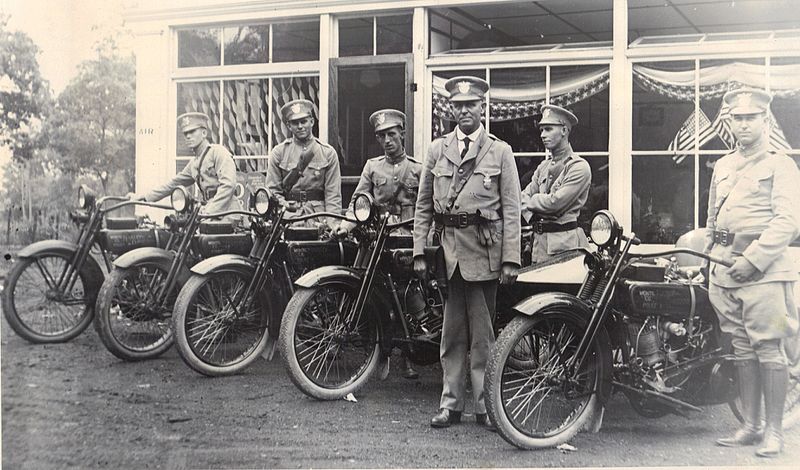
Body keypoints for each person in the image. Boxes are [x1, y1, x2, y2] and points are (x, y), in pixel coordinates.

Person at [412, 76, 521, 430]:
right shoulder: (437, 149)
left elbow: (512, 209)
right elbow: (424, 205)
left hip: (483, 254)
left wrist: (510, 259)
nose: (464, 112)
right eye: (458, 106)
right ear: (451, 109)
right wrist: (419, 251)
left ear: (481, 107)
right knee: (451, 334)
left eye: (470, 105)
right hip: (448, 255)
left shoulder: (499, 151)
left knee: (484, 336)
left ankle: (485, 405)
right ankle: (450, 404)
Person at [705, 88, 800, 458]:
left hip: (764, 272)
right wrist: (711, 256)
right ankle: (750, 425)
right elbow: (713, 217)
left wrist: (754, 258)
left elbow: (788, 222)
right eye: (736, 119)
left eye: (750, 118)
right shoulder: (725, 165)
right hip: (725, 269)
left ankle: (774, 431)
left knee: (768, 348)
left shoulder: (781, 165)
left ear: (765, 120)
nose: (743, 125)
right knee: (742, 348)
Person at [335, 109, 421, 379]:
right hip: (375, 240)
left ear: (403, 134)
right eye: (381, 136)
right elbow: (358, 203)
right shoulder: (372, 167)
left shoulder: (418, 169)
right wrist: (345, 226)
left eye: (392, 134)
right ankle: (380, 353)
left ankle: (410, 355)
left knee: (409, 296)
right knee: (373, 295)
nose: (387, 140)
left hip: (406, 240)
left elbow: (427, 207)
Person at [128, 112, 240, 217]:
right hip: (208, 213)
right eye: (186, 133)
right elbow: (173, 184)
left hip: (227, 213)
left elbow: (228, 185)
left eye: (192, 131)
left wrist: (209, 211)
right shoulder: (194, 163)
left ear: (204, 133)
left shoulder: (218, 152)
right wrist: (144, 197)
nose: (188, 136)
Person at [521, 105, 591, 264]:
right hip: (538, 246)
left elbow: (555, 204)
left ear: (564, 131)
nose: (542, 135)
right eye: (541, 130)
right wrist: (534, 213)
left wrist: (535, 200)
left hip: (565, 249)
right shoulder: (543, 167)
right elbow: (522, 197)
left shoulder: (578, 166)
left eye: (548, 129)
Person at [266, 99, 342, 228]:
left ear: (312, 122)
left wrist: (332, 224)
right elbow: (273, 191)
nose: (300, 126)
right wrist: (284, 205)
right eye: (295, 123)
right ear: (289, 126)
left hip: (318, 217)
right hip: (289, 217)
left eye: (304, 121)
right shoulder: (279, 152)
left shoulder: (327, 153)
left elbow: (333, 195)